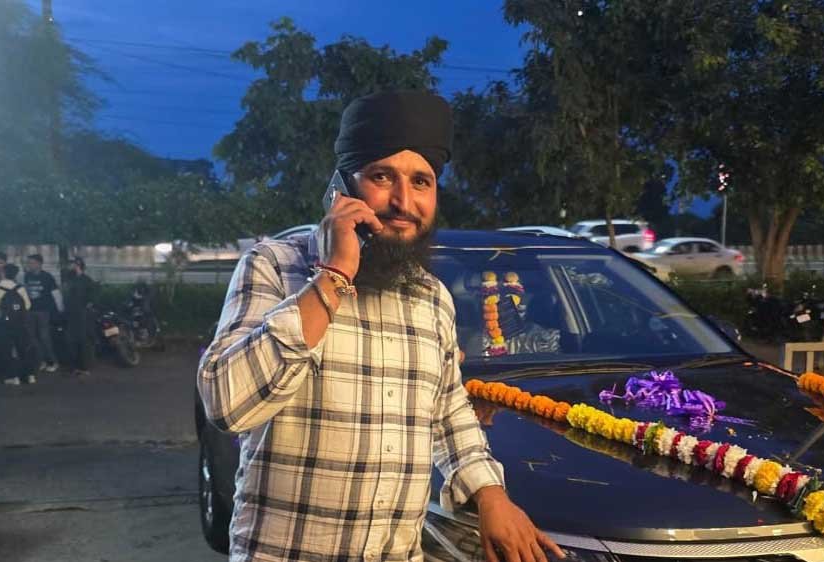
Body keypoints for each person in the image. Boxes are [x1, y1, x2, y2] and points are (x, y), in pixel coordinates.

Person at [198, 91, 564, 562]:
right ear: (342, 188)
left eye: (421, 181)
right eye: (382, 176)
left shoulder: (431, 297)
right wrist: (333, 276)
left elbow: (449, 412)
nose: (403, 201)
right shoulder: (273, 266)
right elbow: (227, 406)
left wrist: (491, 494)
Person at [0, 264, 34, 385]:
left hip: (3, 323)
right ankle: (29, 375)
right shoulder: (20, 288)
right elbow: (27, 305)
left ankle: (12, 377)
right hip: (19, 322)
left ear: (3, 273)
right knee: (22, 348)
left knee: (6, 350)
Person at [23, 254, 62, 373]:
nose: (30, 265)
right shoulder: (27, 276)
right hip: (30, 311)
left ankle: (53, 361)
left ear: (39, 264)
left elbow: (56, 293)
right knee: (32, 337)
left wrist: (60, 309)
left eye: (32, 263)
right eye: (29, 263)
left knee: (44, 337)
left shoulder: (47, 277)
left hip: (43, 311)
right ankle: (42, 361)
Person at [62, 257, 96, 377]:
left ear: (77, 265)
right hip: (71, 314)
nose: (69, 266)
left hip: (82, 315)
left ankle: (84, 367)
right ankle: (74, 367)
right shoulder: (70, 279)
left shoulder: (87, 280)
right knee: (71, 340)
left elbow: (92, 297)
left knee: (83, 340)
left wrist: (87, 308)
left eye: (71, 264)